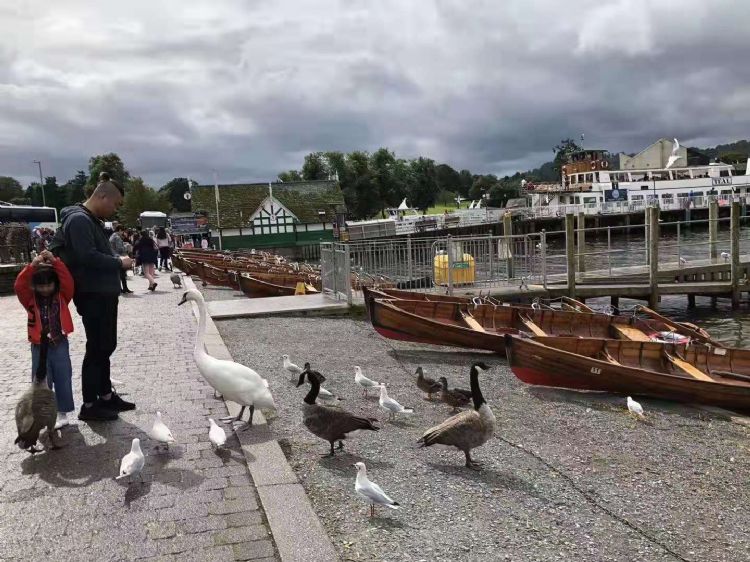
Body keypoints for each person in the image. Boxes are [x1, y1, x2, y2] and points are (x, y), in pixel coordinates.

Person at [48, 177, 135, 421]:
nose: (115, 209)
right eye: (115, 204)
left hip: (102, 292)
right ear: (102, 197)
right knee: (97, 347)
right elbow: (87, 257)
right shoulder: (78, 220)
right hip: (93, 294)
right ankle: (89, 405)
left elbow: (93, 253)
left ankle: (106, 396)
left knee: (106, 345)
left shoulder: (88, 220)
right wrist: (118, 262)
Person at [14, 250, 76, 429]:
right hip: (38, 345)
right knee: (41, 380)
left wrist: (55, 261)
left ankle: (62, 413)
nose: (45, 289)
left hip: (59, 343)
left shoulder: (62, 296)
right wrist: (32, 266)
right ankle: (41, 415)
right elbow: (20, 285)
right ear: (35, 286)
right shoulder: (29, 299)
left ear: (54, 285)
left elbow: (68, 281)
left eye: (49, 285)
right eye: (41, 286)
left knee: (63, 377)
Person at [109, 224, 132, 294]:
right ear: (120, 230)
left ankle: (122, 288)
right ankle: (123, 288)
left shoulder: (112, 236)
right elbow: (120, 249)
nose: (123, 233)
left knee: (120, 273)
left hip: (114, 256)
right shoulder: (117, 237)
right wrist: (127, 247)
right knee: (122, 273)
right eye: (122, 231)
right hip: (119, 256)